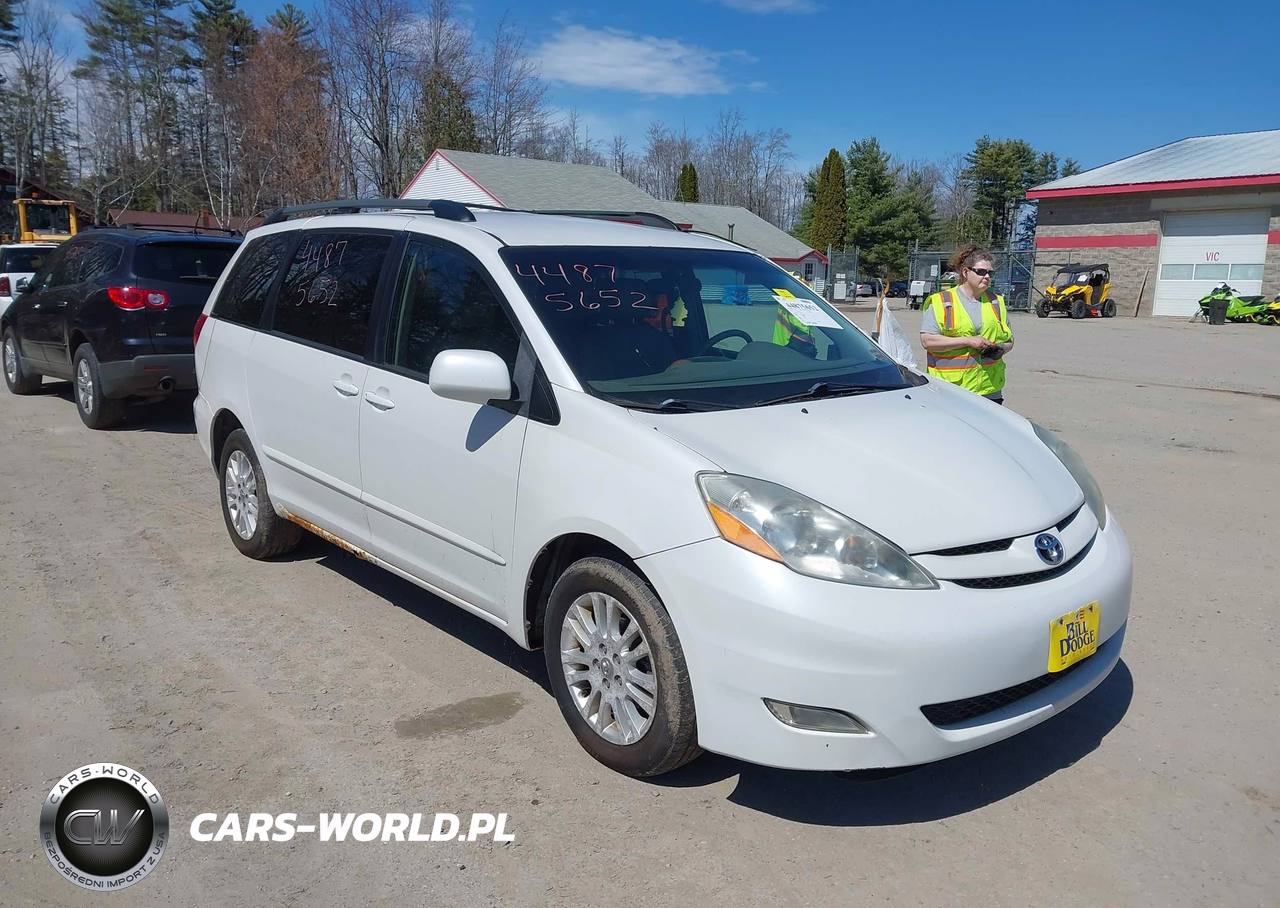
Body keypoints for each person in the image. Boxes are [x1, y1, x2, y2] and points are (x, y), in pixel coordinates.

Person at [919, 244, 1015, 405]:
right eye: (981, 272)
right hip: (951, 389)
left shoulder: (996, 302)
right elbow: (927, 341)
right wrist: (968, 341)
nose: (987, 276)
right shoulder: (941, 301)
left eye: (990, 273)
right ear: (965, 272)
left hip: (990, 390)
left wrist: (1000, 348)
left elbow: (1010, 340)